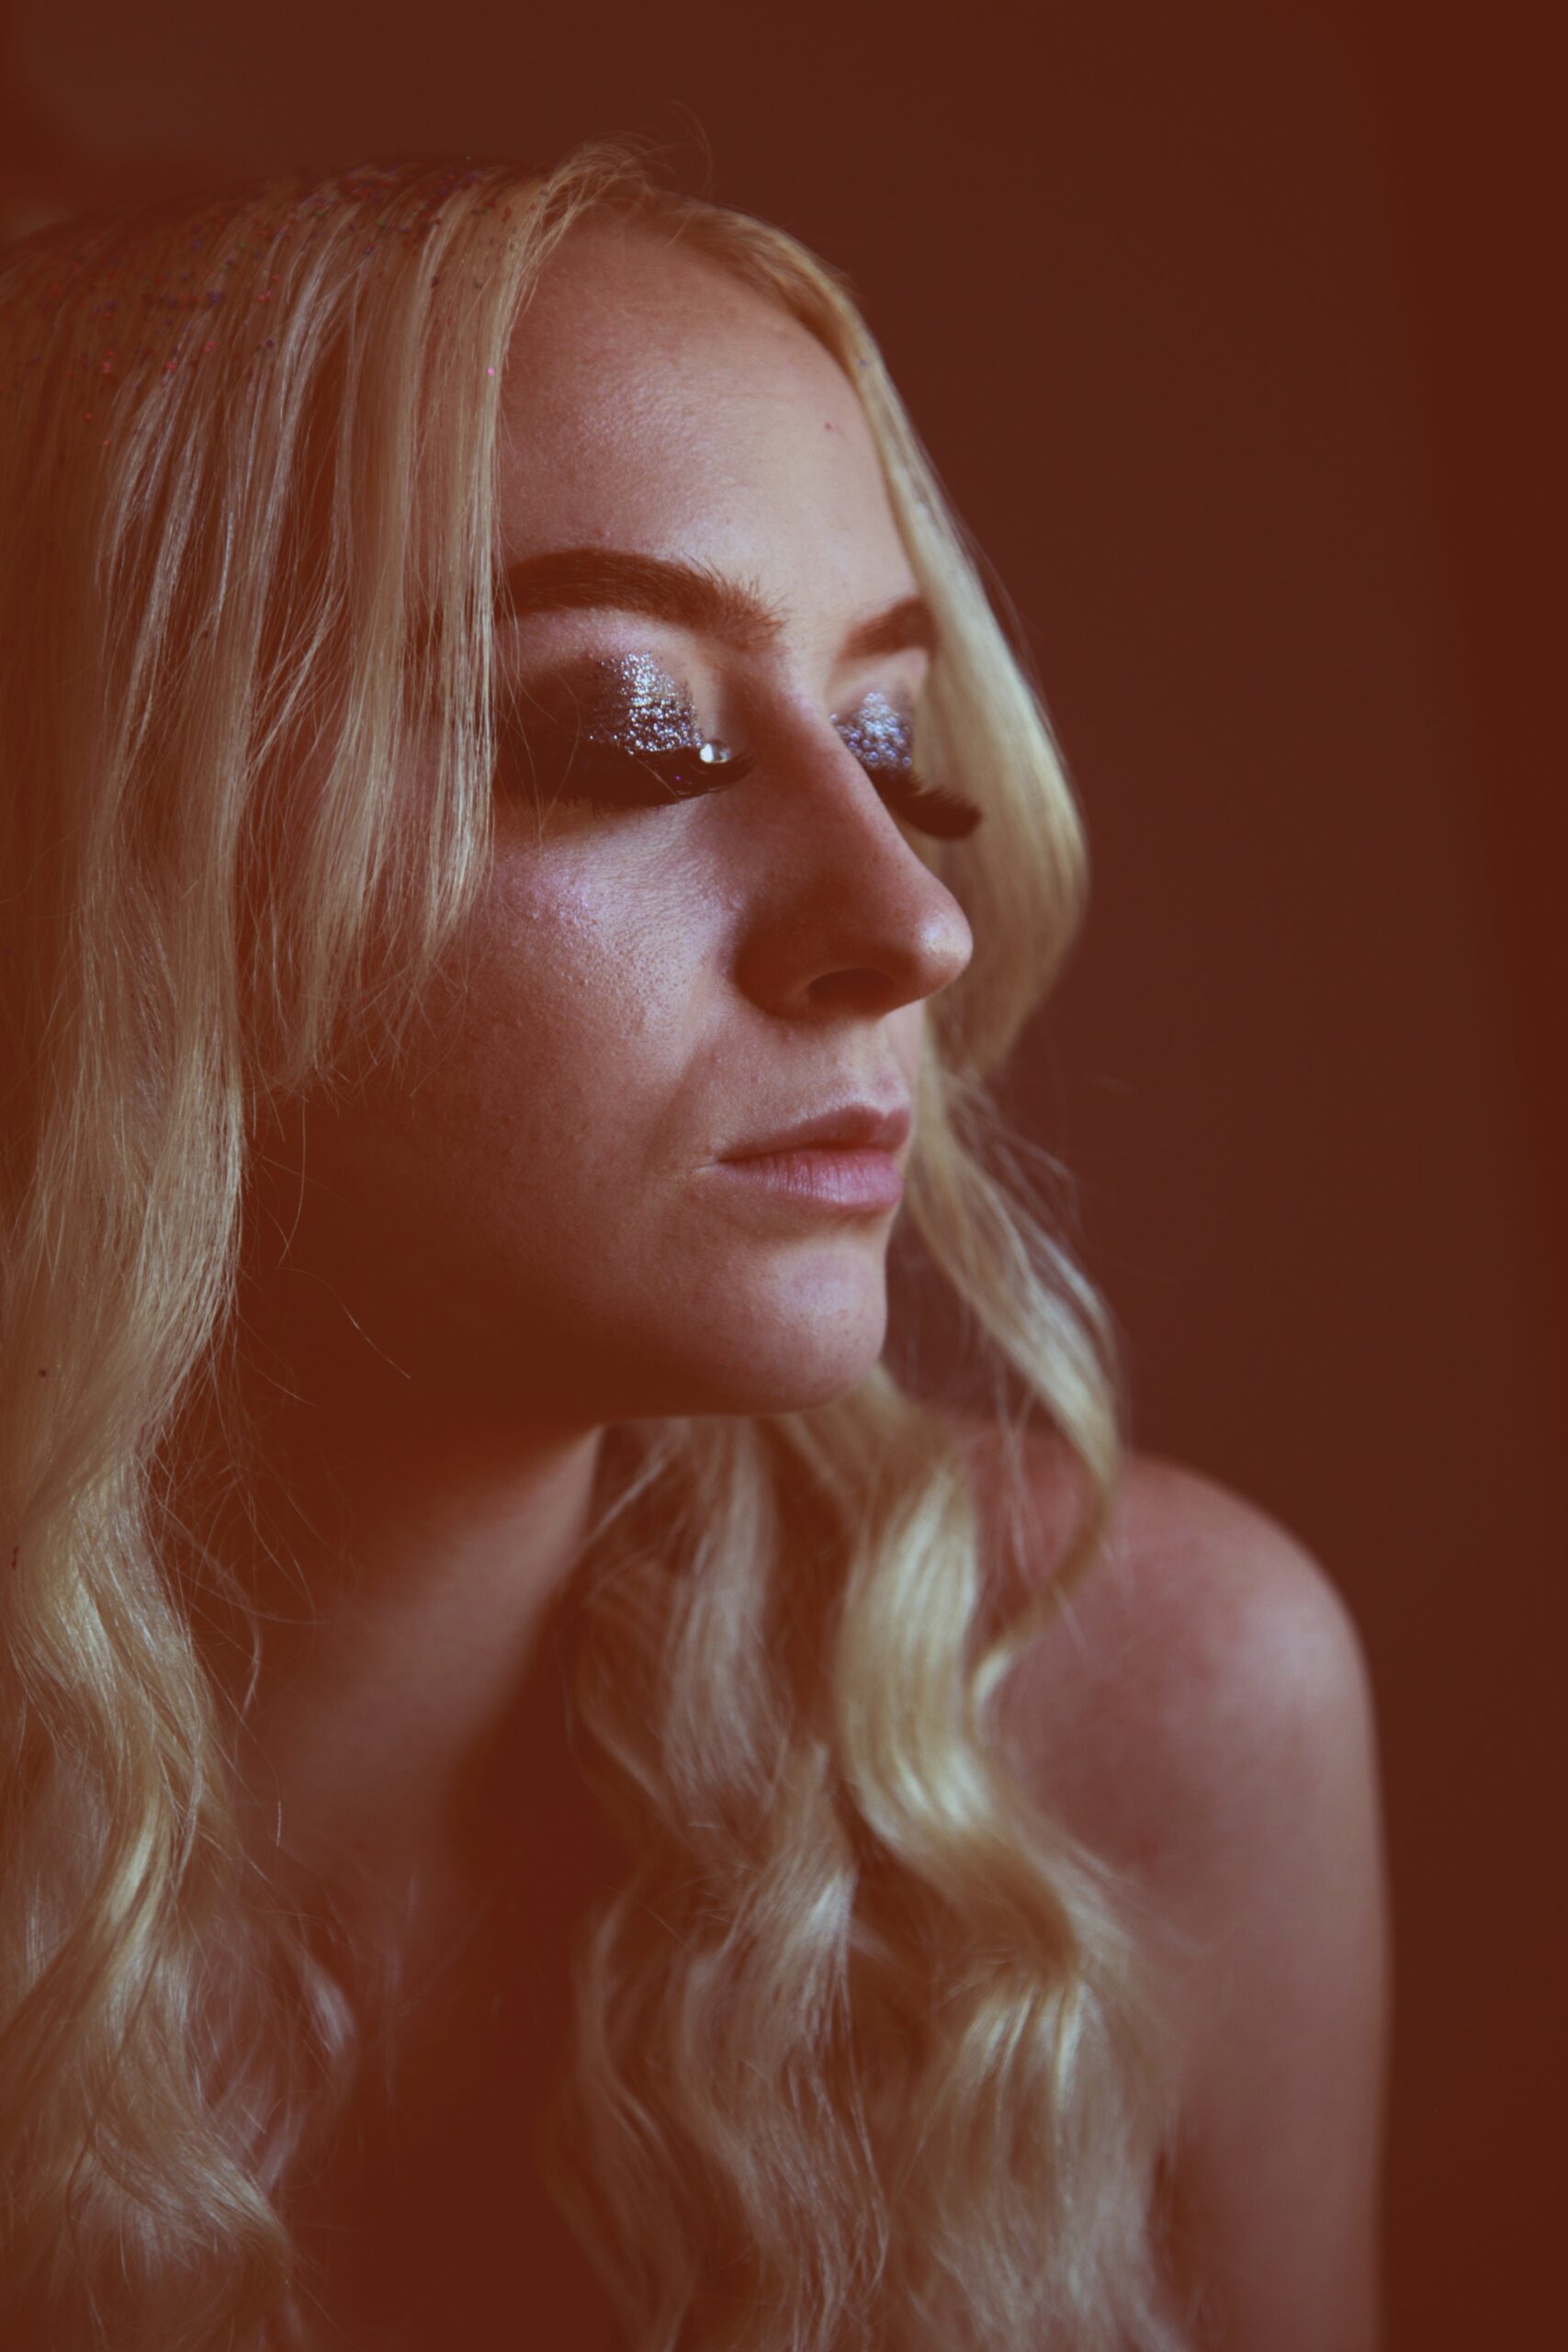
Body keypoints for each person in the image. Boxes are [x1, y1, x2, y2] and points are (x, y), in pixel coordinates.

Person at [0, 143, 1388, 2352]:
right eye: (623, 729)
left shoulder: (1142, 1718)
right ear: (101, 864)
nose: (907, 918)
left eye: (887, 739)